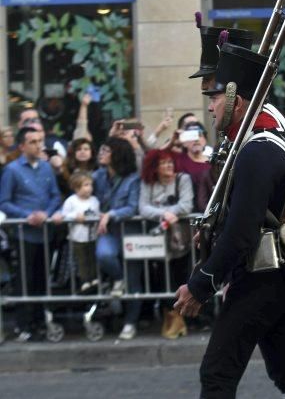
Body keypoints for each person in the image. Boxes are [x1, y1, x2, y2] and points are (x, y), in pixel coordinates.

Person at [173, 43, 285, 398]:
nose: (209, 106)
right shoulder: (259, 136)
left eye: (215, 96)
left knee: (217, 373)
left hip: (264, 274)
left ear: (236, 99)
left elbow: (242, 230)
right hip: (274, 273)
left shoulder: (258, 148)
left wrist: (202, 282)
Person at [0, 127, 63, 341]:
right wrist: (28, 215)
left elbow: (55, 196)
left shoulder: (46, 168)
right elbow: (5, 202)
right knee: (24, 280)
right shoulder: (12, 170)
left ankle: (39, 321)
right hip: (23, 233)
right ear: (22, 146)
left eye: (40, 140)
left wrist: (47, 213)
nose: (38, 145)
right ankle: (23, 325)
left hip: (45, 232)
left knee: (41, 278)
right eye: (33, 141)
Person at [139, 149, 194, 339]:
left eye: (171, 162)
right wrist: (164, 214)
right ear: (155, 166)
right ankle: (168, 318)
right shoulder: (149, 183)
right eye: (163, 163)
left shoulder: (183, 179)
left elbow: (187, 204)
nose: (168, 166)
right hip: (157, 242)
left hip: (180, 240)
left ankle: (179, 320)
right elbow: (143, 207)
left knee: (180, 276)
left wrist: (171, 212)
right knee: (160, 279)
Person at [93, 137, 141, 339]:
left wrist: (110, 215)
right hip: (109, 232)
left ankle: (131, 322)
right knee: (104, 255)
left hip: (130, 231)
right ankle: (118, 280)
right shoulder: (97, 176)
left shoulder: (133, 178)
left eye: (106, 150)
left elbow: (132, 207)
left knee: (134, 279)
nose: (101, 153)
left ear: (118, 154)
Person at [60, 171, 100, 292]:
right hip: (77, 236)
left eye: (90, 185)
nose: (89, 188)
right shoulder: (71, 201)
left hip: (92, 235)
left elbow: (97, 213)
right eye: (86, 185)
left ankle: (94, 278)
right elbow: (65, 215)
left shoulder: (94, 200)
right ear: (77, 188)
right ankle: (84, 280)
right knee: (81, 259)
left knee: (92, 257)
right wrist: (75, 216)